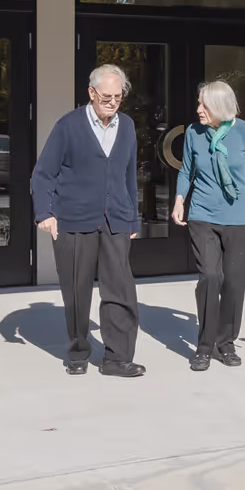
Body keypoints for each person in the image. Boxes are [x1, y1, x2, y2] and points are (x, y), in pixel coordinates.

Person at [32, 64, 143, 377]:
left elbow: (128, 176)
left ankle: (118, 359)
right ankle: (78, 352)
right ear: (91, 93)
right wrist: (45, 213)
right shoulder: (68, 125)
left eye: (117, 97)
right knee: (77, 290)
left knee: (120, 291)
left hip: (116, 220)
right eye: (105, 96)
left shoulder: (128, 126)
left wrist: (132, 219)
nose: (111, 102)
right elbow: (43, 174)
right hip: (74, 220)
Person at [171, 80, 245, 372]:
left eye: (205, 105)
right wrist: (179, 200)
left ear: (221, 107)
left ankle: (225, 342)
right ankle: (204, 346)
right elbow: (186, 171)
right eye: (199, 103)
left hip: (242, 218)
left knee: (233, 284)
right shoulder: (193, 132)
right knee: (211, 277)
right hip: (203, 216)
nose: (198, 109)